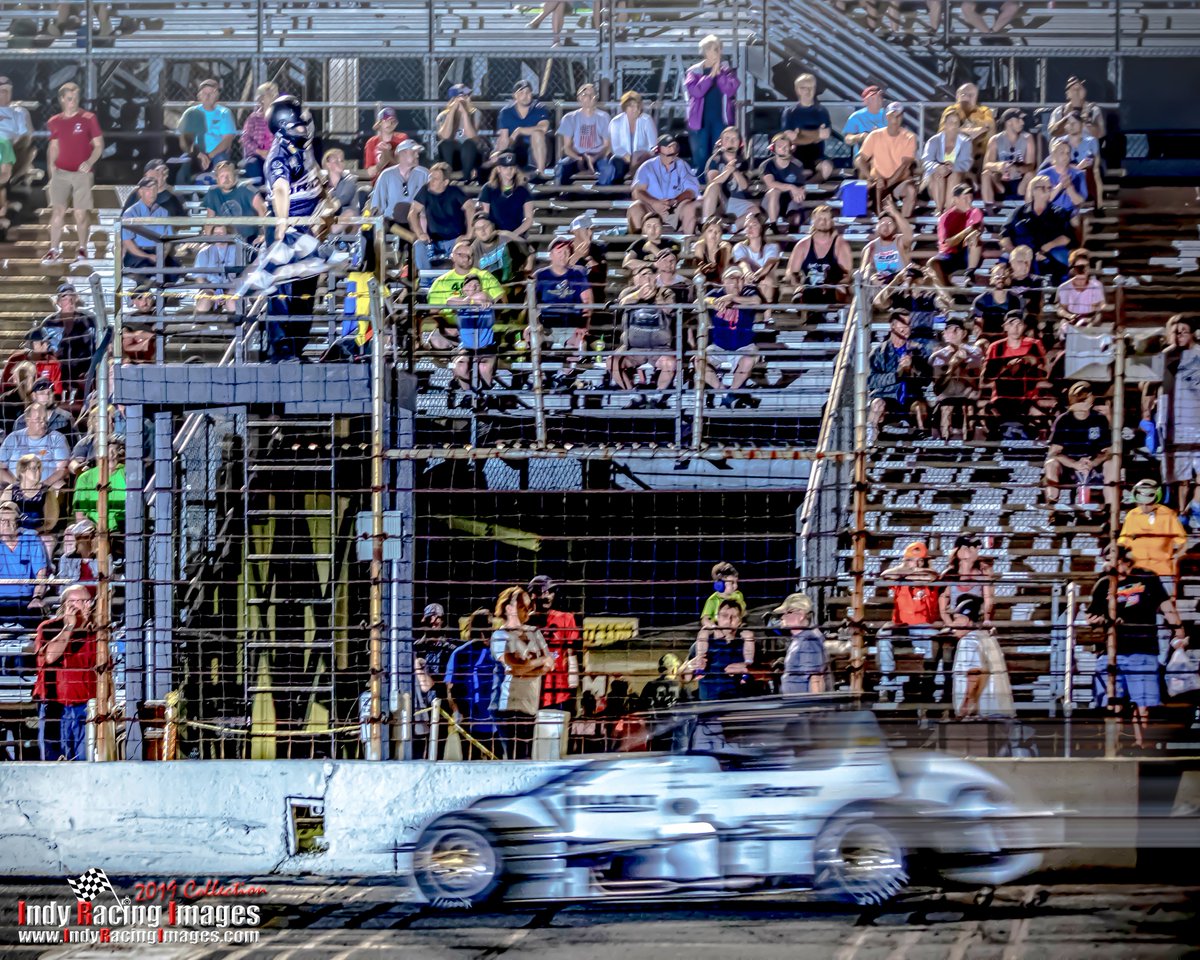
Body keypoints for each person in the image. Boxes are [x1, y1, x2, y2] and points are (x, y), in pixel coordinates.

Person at [1087, 545, 1186, 746]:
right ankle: (1114, 746)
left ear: (1125, 559)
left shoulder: (1147, 578)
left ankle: (1143, 746)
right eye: (1106, 558)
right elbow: (1091, 616)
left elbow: (1166, 606)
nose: (1107, 562)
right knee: (1112, 703)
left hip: (1143, 649)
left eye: (1111, 557)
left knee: (1144, 705)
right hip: (1113, 652)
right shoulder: (1104, 584)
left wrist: (1179, 630)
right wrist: (1099, 620)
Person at [263, 94, 330, 363]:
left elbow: (314, 176)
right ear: (283, 129)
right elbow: (280, 190)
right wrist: (281, 224)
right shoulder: (277, 157)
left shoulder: (304, 148)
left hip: (308, 229)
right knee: (283, 291)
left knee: (305, 292)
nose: (304, 130)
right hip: (289, 229)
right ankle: (281, 351)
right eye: (298, 127)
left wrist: (326, 201)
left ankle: (298, 348)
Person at [33, 584, 96, 761]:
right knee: (54, 760)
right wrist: (69, 627)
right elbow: (50, 657)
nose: (80, 606)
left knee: (85, 760)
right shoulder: (48, 628)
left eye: (85, 601)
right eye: (74, 602)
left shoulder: (97, 631)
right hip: (55, 706)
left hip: (86, 707)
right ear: (64, 606)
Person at [489, 585, 552, 759]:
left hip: (529, 704)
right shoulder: (500, 636)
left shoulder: (534, 632)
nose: (528, 610)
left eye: (528, 605)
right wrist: (537, 662)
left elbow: (549, 664)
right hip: (507, 705)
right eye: (523, 606)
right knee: (513, 756)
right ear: (509, 609)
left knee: (526, 755)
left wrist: (526, 666)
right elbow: (515, 667)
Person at [44, 82, 103, 264]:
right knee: (57, 211)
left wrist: (90, 162)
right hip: (60, 172)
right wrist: (51, 170)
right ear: (62, 99)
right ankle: (54, 250)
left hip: (81, 173)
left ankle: (83, 249)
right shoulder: (54, 121)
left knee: (80, 213)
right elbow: (53, 147)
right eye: (69, 99)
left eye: (76, 98)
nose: (73, 102)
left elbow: (99, 145)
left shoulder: (88, 118)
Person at [1145, 316, 1200, 509]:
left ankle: (1195, 507)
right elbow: (1148, 386)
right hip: (1172, 422)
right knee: (1179, 475)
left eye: (1184, 331)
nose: (1180, 336)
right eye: (1176, 332)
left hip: (1196, 418)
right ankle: (1180, 512)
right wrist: (1146, 416)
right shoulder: (1165, 356)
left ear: (1192, 333)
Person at [878, 541, 942, 701]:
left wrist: (909, 571)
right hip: (902, 627)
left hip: (924, 628)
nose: (904, 563)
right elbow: (885, 575)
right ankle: (888, 683)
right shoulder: (901, 581)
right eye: (904, 560)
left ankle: (929, 684)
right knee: (883, 636)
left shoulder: (930, 576)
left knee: (934, 641)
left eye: (909, 560)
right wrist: (907, 569)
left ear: (921, 561)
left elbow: (929, 576)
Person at [1044, 381, 1117, 512]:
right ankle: (1052, 508)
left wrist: (1093, 463)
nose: (1084, 402)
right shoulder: (1063, 420)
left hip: (1093, 464)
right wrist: (1074, 464)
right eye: (1079, 399)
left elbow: (1108, 451)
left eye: (1086, 398)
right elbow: (1053, 453)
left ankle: (1110, 511)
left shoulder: (1100, 419)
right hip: (1068, 465)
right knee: (1051, 464)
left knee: (1112, 463)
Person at [610, 265, 678, 406]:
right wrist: (638, 295)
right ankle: (634, 396)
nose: (646, 278)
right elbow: (622, 304)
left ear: (655, 278)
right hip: (632, 349)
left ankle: (656, 398)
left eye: (649, 275)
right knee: (612, 362)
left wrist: (656, 297)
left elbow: (669, 309)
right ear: (635, 280)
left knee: (670, 363)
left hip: (660, 348)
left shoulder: (666, 292)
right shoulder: (628, 292)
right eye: (642, 275)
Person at [533, 236, 593, 390]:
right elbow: (530, 303)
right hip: (547, 324)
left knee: (579, 341)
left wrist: (584, 325)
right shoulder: (540, 275)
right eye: (559, 252)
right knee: (531, 335)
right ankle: (541, 378)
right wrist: (534, 324)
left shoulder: (578, 274)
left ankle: (566, 377)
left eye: (567, 252)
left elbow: (587, 301)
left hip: (571, 323)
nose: (564, 255)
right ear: (551, 255)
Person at [867, 311, 932, 444]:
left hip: (910, 398)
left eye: (909, 325)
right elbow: (872, 381)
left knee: (920, 407)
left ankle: (925, 443)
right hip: (888, 397)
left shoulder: (917, 351)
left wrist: (912, 368)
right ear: (893, 326)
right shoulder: (879, 352)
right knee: (877, 404)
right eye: (904, 324)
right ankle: (870, 440)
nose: (908, 329)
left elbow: (926, 379)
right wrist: (896, 374)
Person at [703, 267, 762, 409]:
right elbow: (700, 301)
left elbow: (757, 301)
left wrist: (732, 298)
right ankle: (724, 392)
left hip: (744, 345)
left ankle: (731, 394)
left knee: (749, 359)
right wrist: (714, 302)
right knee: (698, 360)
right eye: (731, 278)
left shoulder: (748, 292)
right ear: (723, 282)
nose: (736, 282)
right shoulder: (716, 293)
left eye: (740, 278)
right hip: (719, 346)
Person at [443, 608, 499, 759]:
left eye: (492, 629)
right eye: (487, 628)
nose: (491, 632)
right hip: (471, 722)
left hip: (497, 723)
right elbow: (451, 688)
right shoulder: (460, 654)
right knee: (471, 762)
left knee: (498, 763)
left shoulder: (498, 653)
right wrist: (458, 712)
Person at [982, 311, 1046, 440]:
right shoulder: (996, 347)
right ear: (1005, 326)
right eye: (1011, 324)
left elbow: (1045, 372)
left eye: (1019, 324)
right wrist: (1006, 366)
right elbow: (985, 379)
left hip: (1027, 397)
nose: (1016, 328)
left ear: (1024, 326)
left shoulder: (1034, 345)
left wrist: (1030, 361)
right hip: (1002, 398)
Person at [949, 594, 1014, 719]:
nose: (953, 625)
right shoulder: (987, 638)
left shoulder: (967, 641)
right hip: (999, 709)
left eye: (956, 619)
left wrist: (966, 705)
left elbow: (975, 672)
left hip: (981, 713)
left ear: (966, 620)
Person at [1118, 479, 1187, 597]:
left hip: (1162, 571)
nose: (1144, 507)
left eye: (1148, 503)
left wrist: (1176, 558)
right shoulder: (1132, 515)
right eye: (1141, 503)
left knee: (1164, 608)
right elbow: (1123, 542)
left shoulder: (1168, 515)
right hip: (1137, 572)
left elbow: (1183, 542)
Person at [1001, 176, 1075, 284]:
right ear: (1033, 190)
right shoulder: (1019, 212)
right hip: (1021, 253)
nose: (1048, 190)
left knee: (1063, 259)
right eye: (1043, 187)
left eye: (1049, 188)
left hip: (1048, 252)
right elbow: (1004, 235)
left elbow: (1066, 237)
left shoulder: (1058, 212)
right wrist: (1014, 252)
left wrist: (1046, 247)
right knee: (1004, 261)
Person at [684, 35, 739, 173]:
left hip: (721, 120)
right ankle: (702, 188)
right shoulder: (693, 71)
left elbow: (730, 89)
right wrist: (710, 77)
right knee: (701, 155)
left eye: (718, 49)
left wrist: (719, 74)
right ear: (705, 51)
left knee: (719, 155)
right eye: (713, 49)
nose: (716, 52)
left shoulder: (727, 71)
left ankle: (719, 186)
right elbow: (696, 92)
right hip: (700, 121)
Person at [527, 575, 580, 712]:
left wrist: (573, 686)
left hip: (558, 694)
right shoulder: (523, 622)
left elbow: (571, 654)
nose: (547, 596)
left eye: (549, 592)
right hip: (529, 693)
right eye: (541, 592)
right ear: (532, 595)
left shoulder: (565, 619)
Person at [783, 204, 853, 305]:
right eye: (820, 218)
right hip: (809, 290)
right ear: (813, 221)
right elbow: (791, 272)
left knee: (841, 290)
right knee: (802, 293)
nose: (823, 221)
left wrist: (834, 285)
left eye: (826, 219)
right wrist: (797, 286)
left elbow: (847, 275)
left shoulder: (840, 245)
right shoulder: (803, 245)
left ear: (832, 221)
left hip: (832, 290)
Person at [628, 135, 700, 234]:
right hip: (651, 207)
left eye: (673, 145)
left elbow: (692, 191)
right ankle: (640, 245)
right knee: (635, 207)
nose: (671, 148)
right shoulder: (647, 166)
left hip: (675, 207)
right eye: (667, 146)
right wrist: (654, 203)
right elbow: (637, 191)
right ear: (659, 149)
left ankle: (686, 244)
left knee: (690, 207)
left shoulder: (683, 166)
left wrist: (674, 201)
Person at [857, 101, 918, 217]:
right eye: (892, 115)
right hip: (878, 181)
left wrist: (888, 183)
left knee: (911, 190)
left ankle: (903, 225)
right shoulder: (875, 135)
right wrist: (871, 178)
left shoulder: (910, 137)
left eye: (898, 115)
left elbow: (905, 165)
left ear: (902, 117)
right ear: (887, 116)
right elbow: (860, 160)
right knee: (874, 188)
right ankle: (881, 222)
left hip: (900, 181)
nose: (895, 119)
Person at [688, 598, 755, 701]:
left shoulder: (746, 643)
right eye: (724, 616)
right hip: (709, 708)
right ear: (717, 618)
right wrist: (690, 666)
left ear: (740, 621)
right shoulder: (701, 643)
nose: (729, 620)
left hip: (736, 707)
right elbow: (684, 678)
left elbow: (761, 671)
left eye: (734, 617)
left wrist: (745, 668)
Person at [409, 162, 470, 272]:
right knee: (418, 245)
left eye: (435, 179)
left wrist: (469, 233)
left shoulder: (454, 192)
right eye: (430, 177)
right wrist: (420, 233)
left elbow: (470, 207)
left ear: (445, 182)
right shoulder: (425, 191)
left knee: (464, 248)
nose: (431, 181)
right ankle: (426, 283)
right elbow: (413, 213)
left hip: (454, 240)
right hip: (433, 241)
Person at [930, 317, 984, 439]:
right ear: (944, 334)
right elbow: (938, 388)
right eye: (949, 329)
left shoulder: (975, 353)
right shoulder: (938, 356)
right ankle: (946, 446)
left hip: (968, 398)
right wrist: (953, 366)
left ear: (964, 333)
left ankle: (968, 446)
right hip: (947, 398)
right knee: (946, 407)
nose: (953, 333)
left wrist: (962, 365)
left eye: (957, 329)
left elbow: (978, 381)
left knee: (968, 407)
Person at [38, 283, 95, 396]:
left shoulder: (88, 319)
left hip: (84, 370)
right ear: (58, 302)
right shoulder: (50, 322)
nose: (70, 301)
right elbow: (43, 349)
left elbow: (96, 344)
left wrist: (91, 369)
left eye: (72, 297)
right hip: (58, 371)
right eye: (65, 298)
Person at [0, 499, 50, 627]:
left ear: (18, 523)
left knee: (35, 613)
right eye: (2, 520)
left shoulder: (31, 539)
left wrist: (37, 597)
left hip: (26, 599)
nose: (5, 524)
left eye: (10, 520)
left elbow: (41, 576)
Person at [176, 78, 236, 183]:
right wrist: (198, 154)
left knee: (222, 166)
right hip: (194, 153)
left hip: (217, 154)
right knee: (181, 171)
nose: (207, 96)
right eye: (204, 93)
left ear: (217, 95)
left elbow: (227, 140)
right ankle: (185, 198)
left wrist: (209, 156)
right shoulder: (190, 113)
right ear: (198, 96)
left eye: (211, 93)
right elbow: (183, 140)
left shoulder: (224, 113)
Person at [0, 402, 71, 486]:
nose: (43, 422)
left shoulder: (57, 438)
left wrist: (43, 485)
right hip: (15, 488)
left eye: (45, 419)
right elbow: (1, 468)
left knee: (59, 485)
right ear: (28, 421)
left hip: (46, 488)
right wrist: (16, 484)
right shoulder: (13, 438)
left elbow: (62, 469)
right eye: (38, 419)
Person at [780, 73, 834, 182]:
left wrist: (800, 133)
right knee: (789, 169)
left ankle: (808, 186)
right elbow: (790, 137)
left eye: (811, 88)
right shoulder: (789, 112)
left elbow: (826, 134)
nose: (807, 91)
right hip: (794, 156)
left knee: (827, 167)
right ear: (797, 90)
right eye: (803, 88)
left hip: (816, 156)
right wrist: (816, 135)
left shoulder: (821, 111)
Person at [555, 82, 611, 186]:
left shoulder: (604, 117)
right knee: (561, 167)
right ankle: (562, 195)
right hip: (577, 155)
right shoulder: (569, 118)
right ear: (579, 98)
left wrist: (594, 158)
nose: (589, 98)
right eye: (585, 95)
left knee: (608, 170)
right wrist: (581, 159)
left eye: (592, 95)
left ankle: (601, 195)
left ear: (596, 98)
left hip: (597, 155)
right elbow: (567, 148)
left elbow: (607, 146)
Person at [929, 183, 983, 288]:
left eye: (970, 196)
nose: (969, 200)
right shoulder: (946, 217)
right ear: (955, 199)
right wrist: (969, 230)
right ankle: (949, 292)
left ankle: (970, 274)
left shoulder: (975, 212)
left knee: (974, 236)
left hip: (967, 251)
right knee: (932, 263)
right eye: (965, 197)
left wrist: (970, 231)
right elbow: (949, 243)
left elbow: (977, 230)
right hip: (949, 254)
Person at [701, 126, 758, 225]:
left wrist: (735, 171)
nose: (731, 142)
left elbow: (745, 186)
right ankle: (706, 224)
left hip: (737, 201)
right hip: (720, 201)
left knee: (755, 211)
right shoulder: (714, 160)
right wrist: (727, 171)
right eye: (727, 139)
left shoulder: (743, 162)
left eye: (734, 139)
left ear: (740, 143)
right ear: (721, 142)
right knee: (713, 187)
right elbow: (713, 182)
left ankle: (733, 228)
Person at [203, 159, 267, 245]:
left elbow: (263, 210)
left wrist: (263, 235)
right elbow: (210, 219)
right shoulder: (213, 193)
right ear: (217, 179)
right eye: (222, 176)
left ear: (235, 176)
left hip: (249, 240)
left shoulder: (246, 189)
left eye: (229, 175)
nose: (226, 179)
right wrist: (208, 241)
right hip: (226, 240)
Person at [776, 592, 829, 694]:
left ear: (801, 615)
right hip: (795, 704)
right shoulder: (799, 639)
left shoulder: (809, 641)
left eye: (787, 612)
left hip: (803, 705)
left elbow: (815, 678)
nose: (782, 617)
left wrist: (814, 707)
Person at [922, 110, 974, 215]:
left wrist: (954, 166)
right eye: (951, 122)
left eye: (956, 123)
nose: (954, 126)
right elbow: (926, 161)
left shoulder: (965, 142)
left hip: (957, 176)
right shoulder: (933, 141)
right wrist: (937, 166)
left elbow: (967, 163)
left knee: (954, 175)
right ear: (944, 124)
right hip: (935, 179)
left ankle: (947, 211)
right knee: (937, 174)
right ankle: (939, 209)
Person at [495, 79, 551, 176]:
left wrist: (519, 131)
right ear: (514, 95)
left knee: (537, 134)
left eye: (528, 92)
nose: (525, 96)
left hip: (538, 150)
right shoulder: (506, 112)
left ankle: (540, 172)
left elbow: (543, 128)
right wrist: (498, 152)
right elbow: (504, 139)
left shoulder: (539, 108)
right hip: (518, 150)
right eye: (521, 92)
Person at [982, 108, 1036, 208]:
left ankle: (1028, 209)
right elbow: (986, 165)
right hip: (1001, 183)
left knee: (1031, 175)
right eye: (1019, 120)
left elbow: (1031, 165)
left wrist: (1018, 169)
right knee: (986, 174)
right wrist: (998, 166)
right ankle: (990, 211)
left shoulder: (1028, 138)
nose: (1022, 123)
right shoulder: (995, 140)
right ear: (1009, 122)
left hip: (1020, 182)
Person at [369, 140, 428, 232]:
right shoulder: (386, 175)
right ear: (403, 154)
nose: (417, 155)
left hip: (417, 221)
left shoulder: (424, 174)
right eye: (414, 152)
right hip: (392, 223)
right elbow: (377, 206)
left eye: (418, 153)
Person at [435, 83, 486, 183]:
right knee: (446, 143)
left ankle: (467, 178)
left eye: (468, 95)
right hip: (451, 158)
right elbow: (444, 136)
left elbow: (472, 137)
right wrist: (452, 111)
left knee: (468, 143)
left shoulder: (475, 113)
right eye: (465, 96)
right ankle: (446, 177)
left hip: (470, 156)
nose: (468, 98)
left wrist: (464, 114)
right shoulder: (443, 116)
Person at [467, 213, 532, 289]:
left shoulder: (506, 237)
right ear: (475, 232)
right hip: (487, 288)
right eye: (478, 229)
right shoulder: (474, 248)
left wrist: (527, 270)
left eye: (485, 226)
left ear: (493, 225)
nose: (482, 231)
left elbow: (530, 253)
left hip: (512, 284)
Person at [72, 438, 126, 529]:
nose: (111, 455)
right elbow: (80, 516)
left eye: (115, 450)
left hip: (123, 530)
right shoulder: (85, 478)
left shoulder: (126, 473)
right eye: (107, 451)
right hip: (94, 532)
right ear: (97, 454)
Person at [477, 154, 535, 237]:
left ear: (515, 169)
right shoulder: (488, 188)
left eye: (511, 168)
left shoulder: (523, 190)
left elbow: (529, 219)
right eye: (505, 168)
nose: (509, 171)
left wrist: (513, 235)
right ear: (498, 169)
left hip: (517, 235)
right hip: (494, 235)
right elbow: (485, 216)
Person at [758, 134, 807, 230]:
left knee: (796, 217)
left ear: (791, 148)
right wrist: (791, 187)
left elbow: (800, 186)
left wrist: (800, 193)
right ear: (773, 148)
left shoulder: (797, 165)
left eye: (786, 147)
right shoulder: (768, 165)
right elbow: (770, 184)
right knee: (775, 191)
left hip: (789, 199)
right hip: (770, 201)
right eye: (779, 147)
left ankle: (792, 235)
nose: (783, 149)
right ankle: (773, 225)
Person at [860, 200, 913, 287]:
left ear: (896, 226)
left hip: (900, 284)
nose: (885, 226)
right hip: (880, 285)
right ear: (877, 226)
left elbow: (909, 236)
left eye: (889, 223)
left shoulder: (899, 241)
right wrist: (873, 279)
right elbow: (863, 273)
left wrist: (895, 213)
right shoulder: (870, 247)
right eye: (882, 223)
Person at [731, 211, 779, 303]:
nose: (749, 228)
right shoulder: (740, 247)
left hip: (765, 284)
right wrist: (748, 273)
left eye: (754, 225)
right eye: (747, 226)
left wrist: (756, 276)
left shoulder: (772, 247)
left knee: (767, 281)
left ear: (762, 228)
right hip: (747, 284)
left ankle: (767, 316)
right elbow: (743, 263)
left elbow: (768, 265)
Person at [1034, 138, 1088, 218]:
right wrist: (1060, 185)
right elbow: (1042, 200)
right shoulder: (1043, 174)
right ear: (1053, 155)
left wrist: (1069, 188)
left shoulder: (1078, 174)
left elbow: (1080, 202)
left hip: (1071, 215)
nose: (1066, 156)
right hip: (1049, 215)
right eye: (1062, 153)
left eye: (1068, 153)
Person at [972, 262, 1024, 344]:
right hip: (986, 338)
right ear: (991, 278)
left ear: (1009, 278)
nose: (1001, 277)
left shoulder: (1016, 300)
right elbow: (978, 323)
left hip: (1008, 338)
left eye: (1004, 274)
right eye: (997, 274)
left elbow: (1017, 323)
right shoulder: (981, 300)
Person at [240, 81, 279, 184]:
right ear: (261, 99)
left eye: (275, 94)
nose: (273, 96)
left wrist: (272, 152)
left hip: (276, 154)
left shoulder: (281, 117)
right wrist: (259, 151)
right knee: (253, 166)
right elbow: (245, 138)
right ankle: (258, 197)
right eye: (269, 94)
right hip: (256, 155)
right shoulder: (253, 118)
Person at [1056, 249, 1107, 325]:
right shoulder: (1064, 288)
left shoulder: (1096, 285)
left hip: (1091, 322)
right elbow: (1061, 309)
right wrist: (1071, 316)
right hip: (1070, 322)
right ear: (1073, 269)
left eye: (1086, 266)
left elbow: (1101, 305)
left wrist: (1093, 315)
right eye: (1079, 267)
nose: (1083, 270)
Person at [1048, 76, 1106, 142]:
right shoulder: (1059, 111)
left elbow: (1101, 134)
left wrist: (1084, 120)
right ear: (1067, 94)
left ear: (1085, 92)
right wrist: (1067, 117)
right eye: (1073, 89)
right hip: (1064, 149)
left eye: (1080, 88)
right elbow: (1052, 132)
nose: (1076, 92)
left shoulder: (1094, 110)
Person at [0, 77, 35, 183]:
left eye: (7, 91)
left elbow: (26, 135)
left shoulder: (18, 111)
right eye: (2, 91)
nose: (5, 94)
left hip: (11, 148)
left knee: (30, 150)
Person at [363, 107, 409, 182]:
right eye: (386, 121)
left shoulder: (402, 138)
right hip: (379, 184)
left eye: (393, 121)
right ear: (380, 123)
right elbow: (370, 172)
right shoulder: (371, 142)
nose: (390, 123)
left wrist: (389, 155)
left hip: (399, 182)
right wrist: (381, 163)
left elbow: (406, 165)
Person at [566, 213, 608, 291]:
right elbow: (558, 273)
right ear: (575, 231)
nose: (590, 233)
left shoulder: (598, 249)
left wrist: (594, 266)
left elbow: (602, 279)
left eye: (591, 229)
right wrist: (576, 256)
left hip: (593, 295)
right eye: (586, 229)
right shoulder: (565, 248)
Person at [842, 85, 887, 159]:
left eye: (880, 97)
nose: (878, 100)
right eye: (873, 98)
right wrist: (861, 136)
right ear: (866, 101)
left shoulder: (889, 114)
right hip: (865, 156)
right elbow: (847, 139)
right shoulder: (856, 116)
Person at [689, 215, 735, 285]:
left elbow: (725, 272)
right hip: (704, 283)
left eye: (718, 231)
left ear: (721, 235)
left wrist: (725, 251)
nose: (714, 234)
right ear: (705, 233)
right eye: (710, 231)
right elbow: (697, 271)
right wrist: (703, 269)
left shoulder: (725, 247)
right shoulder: (700, 246)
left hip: (722, 283)